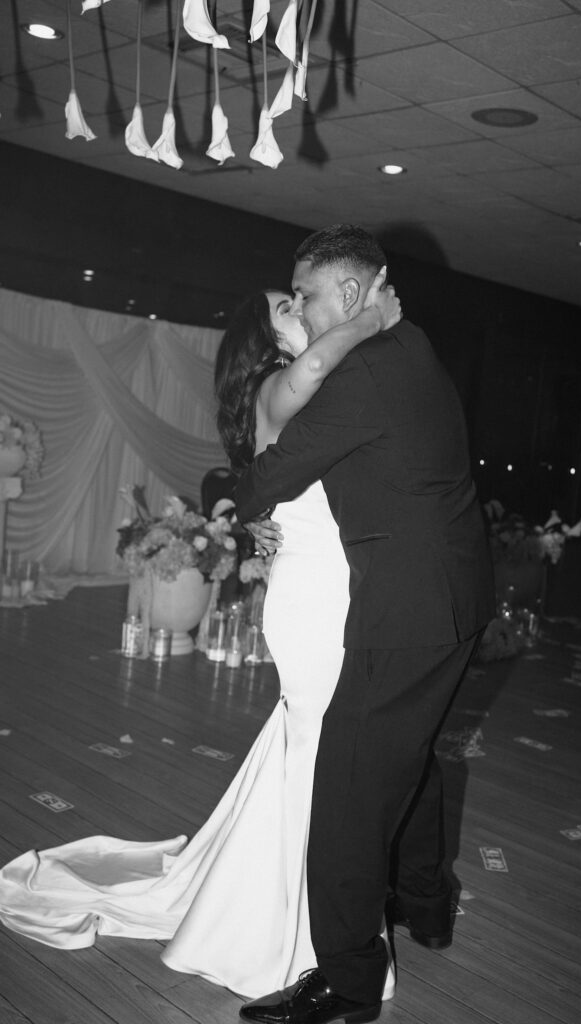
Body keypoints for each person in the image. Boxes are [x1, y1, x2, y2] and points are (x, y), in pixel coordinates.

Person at [0, 277, 401, 1001]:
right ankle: (306, 936)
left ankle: (311, 920)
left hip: (333, 591)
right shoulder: (286, 383)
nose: (305, 311)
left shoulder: (324, 390)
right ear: (269, 342)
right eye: (288, 307)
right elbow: (313, 374)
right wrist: (370, 317)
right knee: (325, 752)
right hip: (315, 604)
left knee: (320, 754)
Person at [234, 224, 495, 1024]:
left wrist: (248, 510)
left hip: (406, 609)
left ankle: (345, 986)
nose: (301, 309)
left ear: (348, 295)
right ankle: (423, 902)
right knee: (403, 755)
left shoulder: (363, 375)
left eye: (305, 295)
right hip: (449, 598)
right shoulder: (408, 345)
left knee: (345, 795)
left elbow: (268, 477)